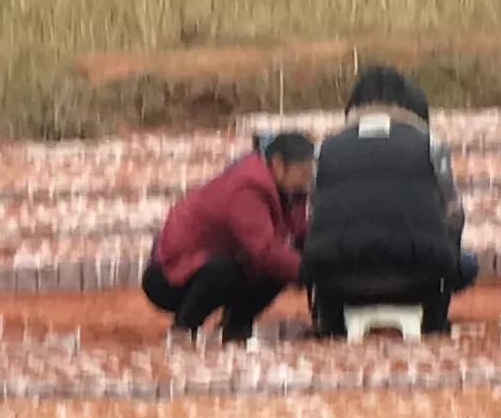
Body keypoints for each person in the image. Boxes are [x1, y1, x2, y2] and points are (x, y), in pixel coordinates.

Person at [300, 65, 478, 337]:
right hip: (417, 277)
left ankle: (331, 326)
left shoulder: (325, 148)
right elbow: (454, 215)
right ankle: (433, 323)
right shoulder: (430, 144)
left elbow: (311, 216)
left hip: (339, 278)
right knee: (466, 264)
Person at [143, 133, 314, 346]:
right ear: (279, 164)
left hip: (221, 260)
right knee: (228, 270)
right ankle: (183, 330)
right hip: (170, 274)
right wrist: (309, 271)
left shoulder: (291, 191)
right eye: (303, 172)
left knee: (278, 269)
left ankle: (235, 328)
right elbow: (263, 251)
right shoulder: (248, 186)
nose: (307, 180)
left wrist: (316, 259)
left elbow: (300, 235)